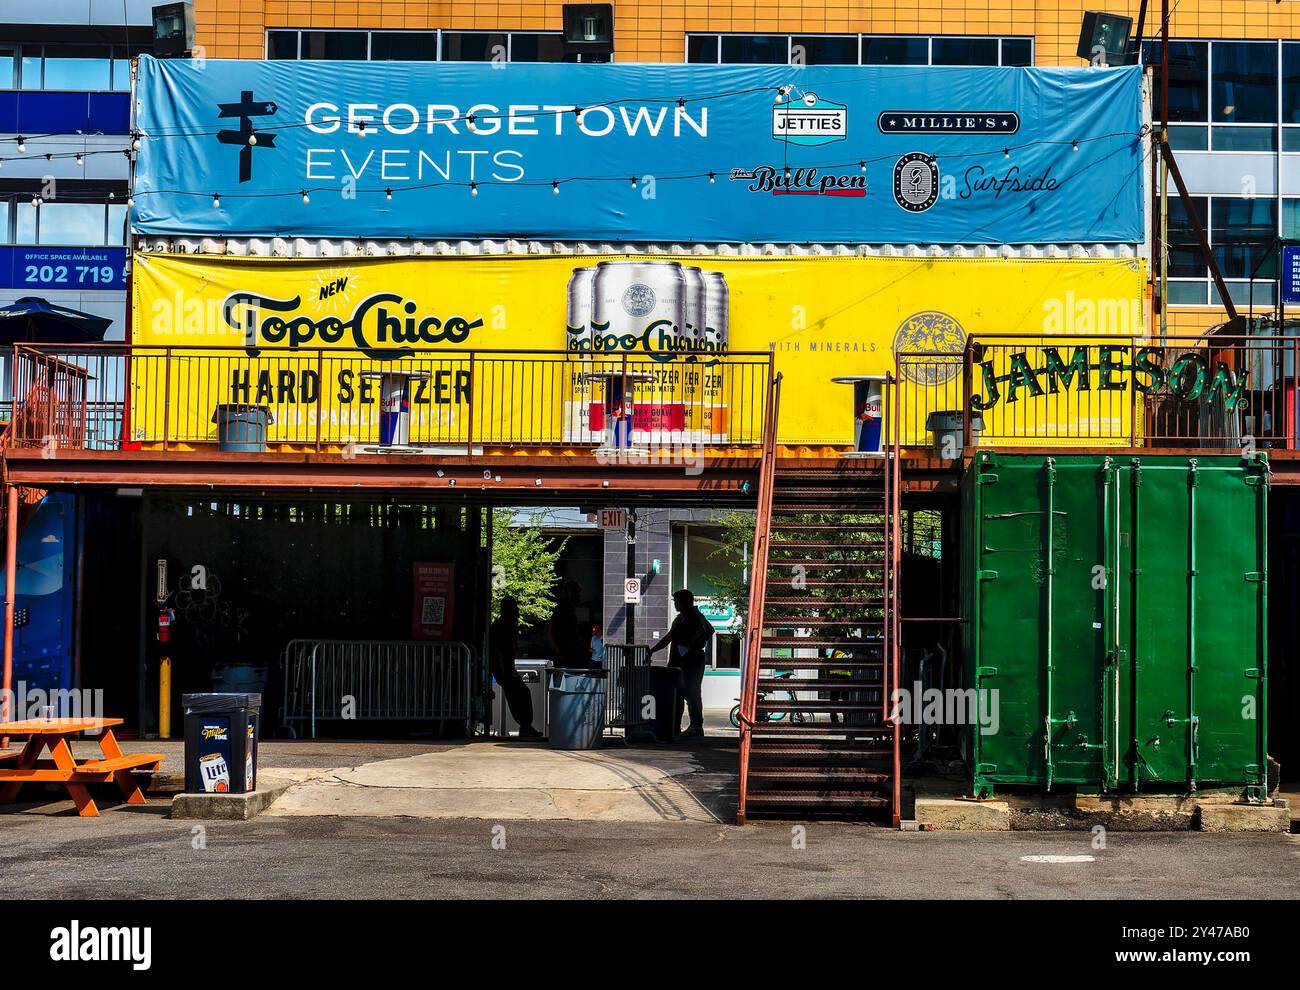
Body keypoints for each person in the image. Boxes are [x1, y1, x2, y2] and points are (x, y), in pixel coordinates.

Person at [649, 589, 715, 738]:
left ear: (684, 601)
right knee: (677, 693)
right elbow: (669, 637)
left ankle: (696, 726)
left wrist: (693, 647)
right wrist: (653, 650)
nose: (675, 604)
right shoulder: (681, 618)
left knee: (692, 692)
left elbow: (710, 630)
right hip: (678, 661)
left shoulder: (695, 616)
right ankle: (675, 726)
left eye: (676, 601)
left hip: (691, 661)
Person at [489, 596, 541, 739]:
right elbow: (498, 650)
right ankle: (525, 725)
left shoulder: (503, 625)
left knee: (519, 694)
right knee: (520, 694)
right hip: (505, 670)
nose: (518, 611)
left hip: (506, 669)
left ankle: (525, 725)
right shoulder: (504, 626)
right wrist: (506, 670)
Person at [547, 580, 585, 669]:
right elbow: (550, 631)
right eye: (577, 592)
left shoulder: (569, 609)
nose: (579, 596)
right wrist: (558, 651)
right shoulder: (563, 609)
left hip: (568, 653)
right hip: (564, 654)